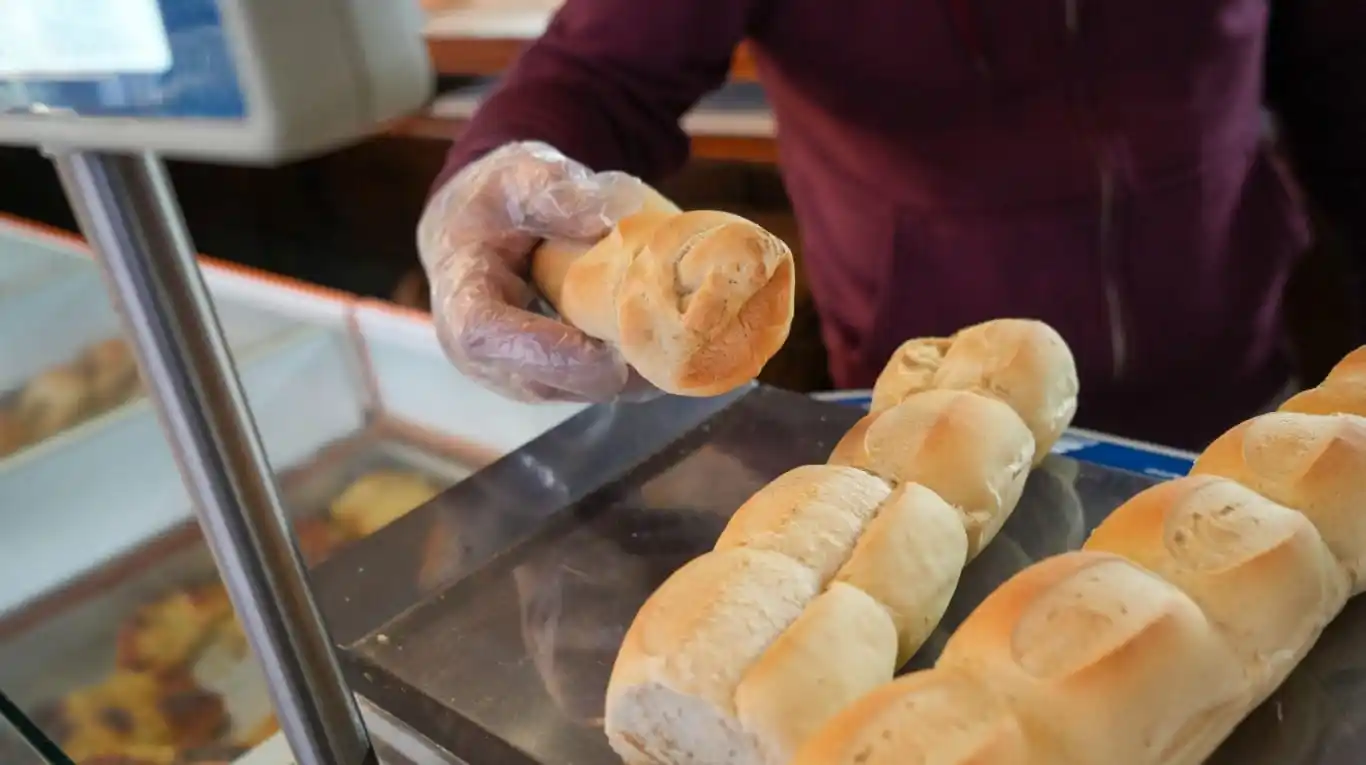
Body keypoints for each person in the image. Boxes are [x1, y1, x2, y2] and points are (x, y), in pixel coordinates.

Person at [417, 0, 1366, 449]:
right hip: (929, 431)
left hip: (1237, 401)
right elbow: (593, 78)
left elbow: (1341, 73)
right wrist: (478, 200)